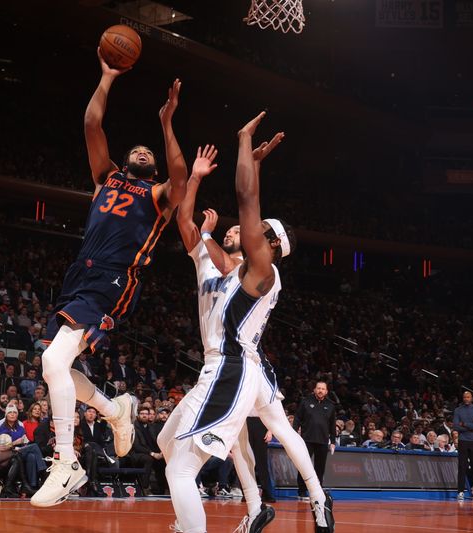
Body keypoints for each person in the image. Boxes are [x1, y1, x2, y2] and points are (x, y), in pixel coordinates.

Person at [30, 47, 188, 508]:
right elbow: (91, 126)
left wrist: (167, 122)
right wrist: (106, 77)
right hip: (80, 274)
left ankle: (66, 463)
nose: (141, 150)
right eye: (135, 148)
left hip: (115, 281)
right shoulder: (107, 178)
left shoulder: (158, 194)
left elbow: (180, 176)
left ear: (152, 166)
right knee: (52, 366)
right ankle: (115, 408)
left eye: (148, 151)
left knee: (55, 363)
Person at [158, 111, 328, 533]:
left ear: (269, 245)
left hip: (237, 365)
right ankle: (252, 507)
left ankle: (309, 499)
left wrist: (245, 152)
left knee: (192, 465)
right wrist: (202, 181)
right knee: (167, 445)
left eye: (252, 232)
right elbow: (191, 225)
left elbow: (248, 203)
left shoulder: (262, 273)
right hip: (219, 366)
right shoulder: (227, 265)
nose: (243, 231)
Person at [293, 381, 337, 488]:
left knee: (320, 467)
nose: (320, 390)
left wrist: (333, 441)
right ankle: (302, 490)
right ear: (314, 390)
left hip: (323, 440)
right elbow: (297, 418)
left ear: (326, 391)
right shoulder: (305, 401)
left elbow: (332, 424)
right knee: (303, 466)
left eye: (323, 389)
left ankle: (318, 489)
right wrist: (293, 434)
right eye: (318, 388)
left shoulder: (331, 405)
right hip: (307, 439)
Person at [453, 391, 473, 500]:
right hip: (463, 440)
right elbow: (456, 426)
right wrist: (471, 425)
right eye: (464, 397)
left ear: (472, 398)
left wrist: (464, 424)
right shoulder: (458, 410)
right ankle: (460, 491)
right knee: (462, 466)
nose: (466, 398)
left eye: (468, 397)